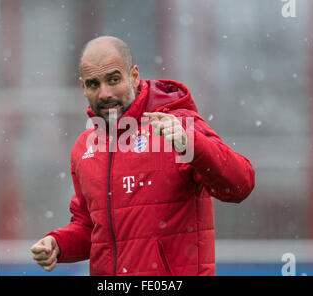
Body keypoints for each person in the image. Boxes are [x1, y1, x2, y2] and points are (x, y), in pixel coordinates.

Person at [30, 36, 255, 276]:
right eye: (94, 84)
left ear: (134, 76)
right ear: (83, 88)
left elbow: (240, 185)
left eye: (113, 80)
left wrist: (192, 144)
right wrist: (59, 244)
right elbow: (91, 229)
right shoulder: (85, 148)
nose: (105, 93)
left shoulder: (176, 126)